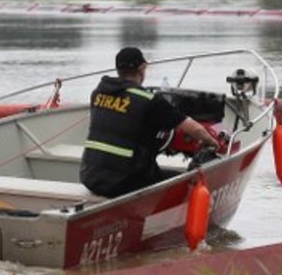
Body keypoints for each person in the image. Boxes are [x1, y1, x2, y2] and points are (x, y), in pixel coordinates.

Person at [80, 47, 221, 198]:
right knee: (187, 180)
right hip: (122, 182)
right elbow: (194, 129)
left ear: (118, 69)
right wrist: (213, 143)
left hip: (90, 176)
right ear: (142, 69)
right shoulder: (148, 100)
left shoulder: (98, 93)